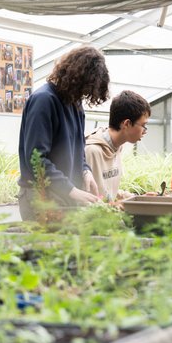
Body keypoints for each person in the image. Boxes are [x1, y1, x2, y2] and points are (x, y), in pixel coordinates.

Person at [18, 46, 109, 220]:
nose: (85, 94)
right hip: (41, 199)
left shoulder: (74, 102)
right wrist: (71, 190)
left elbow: (78, 147)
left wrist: (85, 171)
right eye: (85, 88)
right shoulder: (44, 100)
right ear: (76, 77)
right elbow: (36, 160)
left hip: (64, 196)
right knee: (46, 247)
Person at [85, 90, 151, 202]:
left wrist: (138, 198)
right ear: (127, 124)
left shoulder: (116, 147)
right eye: (143, 125)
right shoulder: (92, 151)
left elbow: (109, 192)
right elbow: (91, 199)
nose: (145, 131)